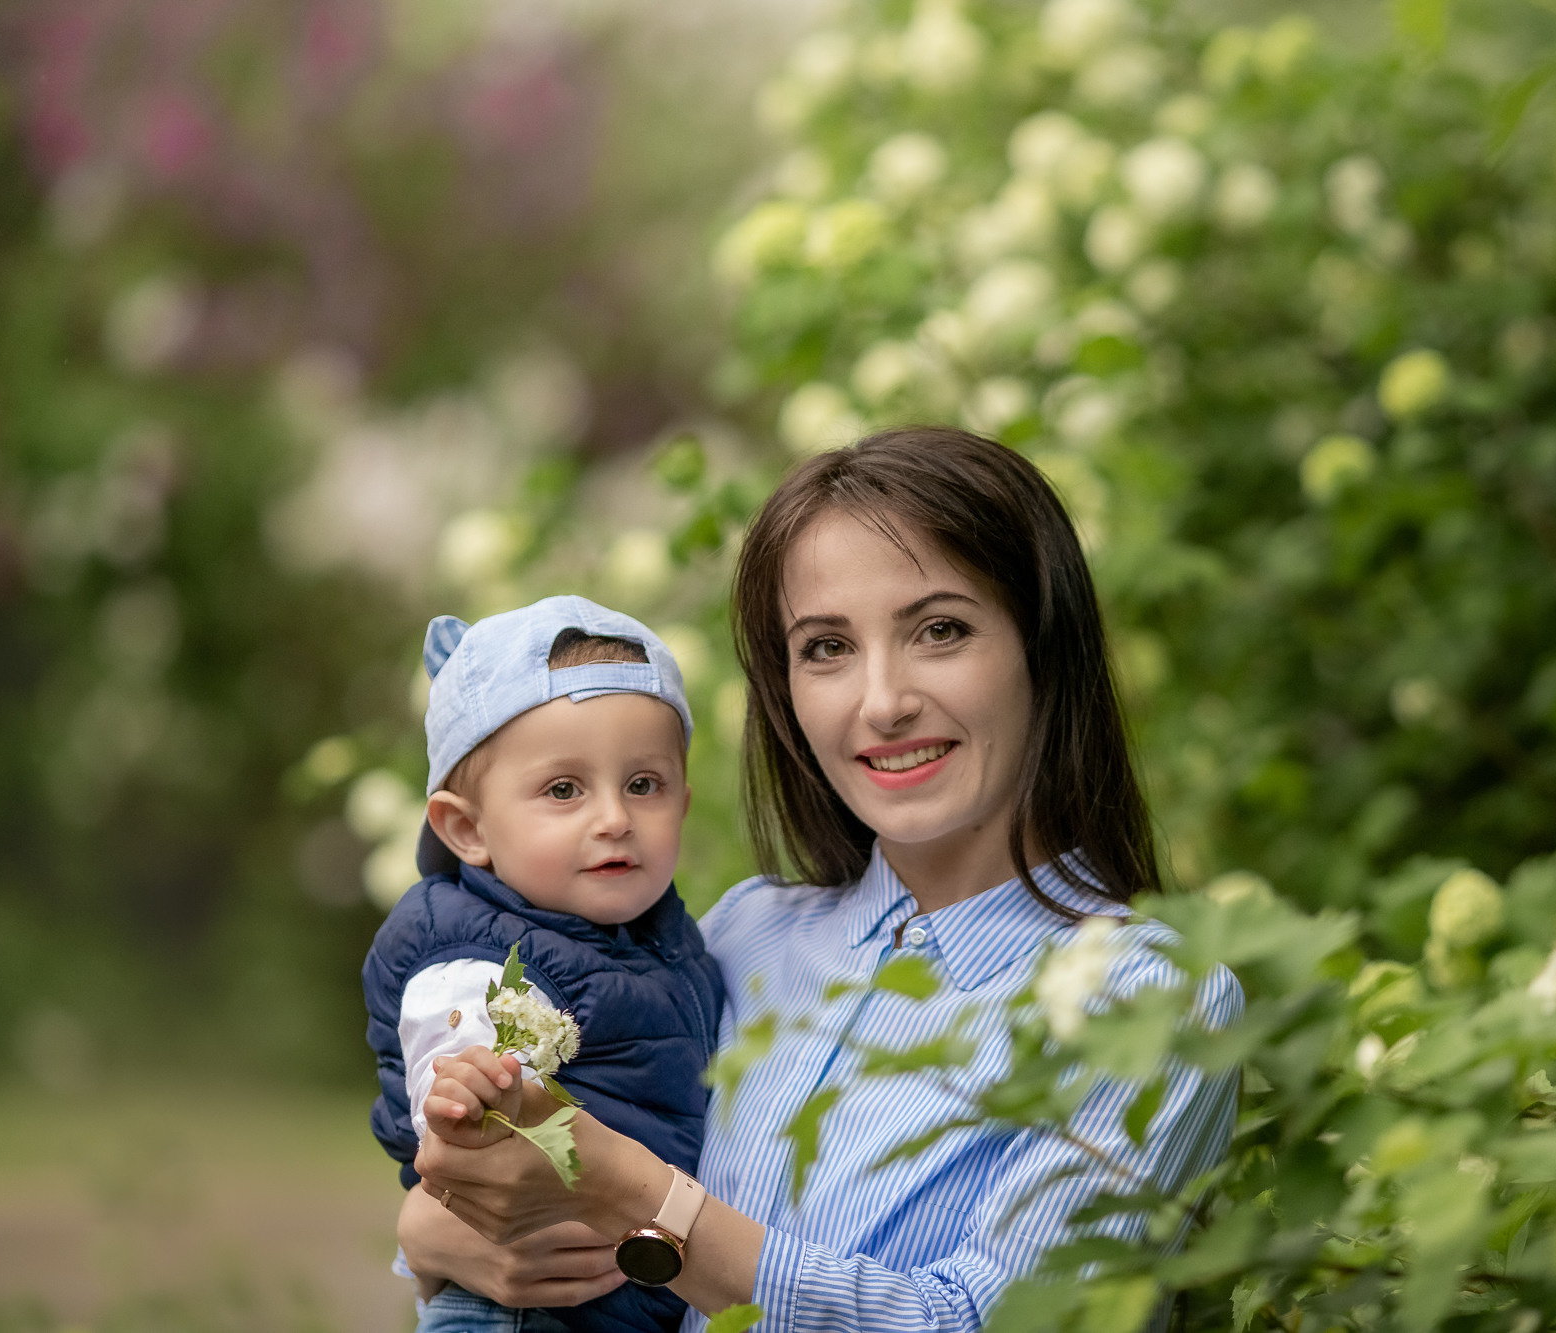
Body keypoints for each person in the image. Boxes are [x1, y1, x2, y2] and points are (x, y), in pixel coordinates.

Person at [402, 428, 1243, 1332]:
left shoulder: (1158, 997)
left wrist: (638, 1196)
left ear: (1044, 647)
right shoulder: (739, 936)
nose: (882, 702)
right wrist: (431, 1234)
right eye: (826, 647)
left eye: (941, 629)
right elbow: (502, 1208)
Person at [364, 595, 725, 1333]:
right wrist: (472, 1103)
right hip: (522, 1309)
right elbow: (457, 1119)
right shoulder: (476, 961)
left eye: (643, 784)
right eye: (564, 789)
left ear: (682, 804)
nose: (615, 817)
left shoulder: (661, 938)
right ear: (467, 829)